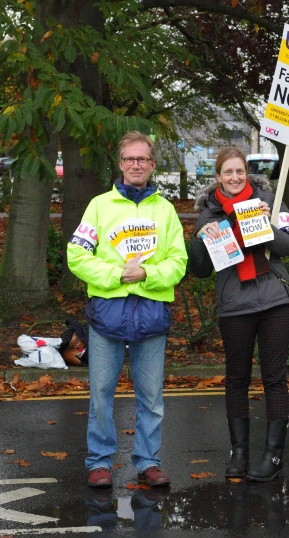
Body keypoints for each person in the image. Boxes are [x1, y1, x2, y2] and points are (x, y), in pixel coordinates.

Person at [67, 131, 187, 488]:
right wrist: (118, 274)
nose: (136, 165)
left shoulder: (165, 211)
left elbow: (178, 262)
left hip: (151, 316)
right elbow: (77, 256)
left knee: (151, 397)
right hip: (107, 316)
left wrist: (147, 273)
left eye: (143, 159)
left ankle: (148, 461)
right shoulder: (99, 206)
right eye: (129, 159)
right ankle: (101, 463)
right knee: (101, 395)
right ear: (120, 164)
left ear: (152, 165)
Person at [188, 147, 289, 481]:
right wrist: (201, 240)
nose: (234, 178)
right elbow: (200, 269)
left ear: (246, 173)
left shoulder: (269, 201)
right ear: (218, 177)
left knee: (274, 378)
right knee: (237, 379)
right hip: (235, 306)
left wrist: (265, 223)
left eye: (240, 172)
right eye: (228, 173)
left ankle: (273, 458)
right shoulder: (209, 214)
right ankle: (239, 453)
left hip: (274, 301)